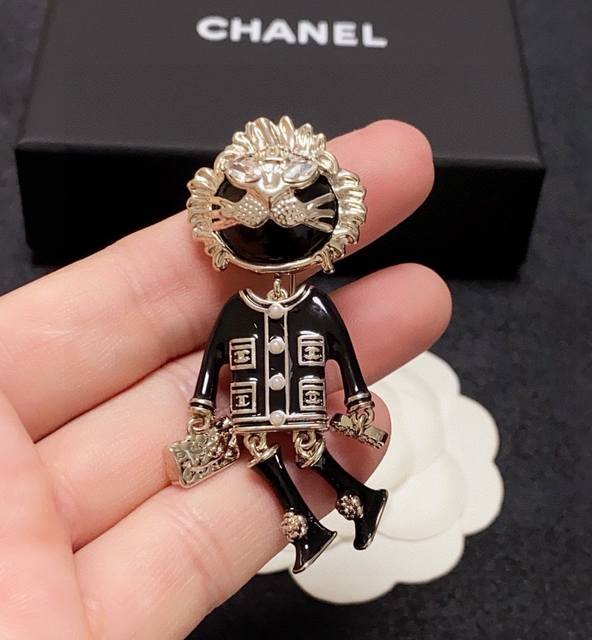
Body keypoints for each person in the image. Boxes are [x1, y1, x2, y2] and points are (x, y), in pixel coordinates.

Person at [0, 120, 451, 639]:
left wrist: (355, 395)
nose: (271, 215)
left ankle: (340, 511)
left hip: (300, 395)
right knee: (264, 454)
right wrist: (199, 403)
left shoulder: (315, 306)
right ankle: (317, 520)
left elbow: (342, 353)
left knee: (307, 452)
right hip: (252, 400)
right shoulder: (238, 308)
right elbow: (215, 357)